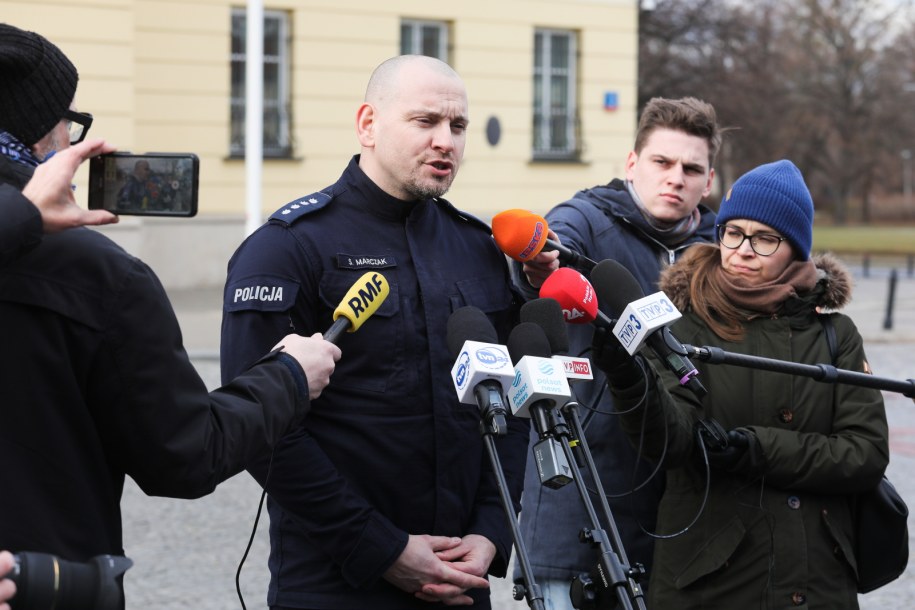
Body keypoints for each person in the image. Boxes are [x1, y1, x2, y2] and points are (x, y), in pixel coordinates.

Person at [0, 19, 342, 595]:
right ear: (41, 139)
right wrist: (289, 377)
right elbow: (184, 456)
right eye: (68, 121)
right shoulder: (102, 276)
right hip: (49, 584)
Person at [220, 54, 528, 609]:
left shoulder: (478, 249)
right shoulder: (288, 248)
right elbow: (259, 428)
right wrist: (381, 549)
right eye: (425, 121)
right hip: (336, 581)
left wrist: (490, 530)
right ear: (368, 124)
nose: (446, 141)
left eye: (458, 126)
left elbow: (506, 404)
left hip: (462, 576)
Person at [590, 159, 889, 608]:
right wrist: (630, 380)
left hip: (819, 585)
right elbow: (670, 443)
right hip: (710, 583)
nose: (743, 250)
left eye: (765, 238)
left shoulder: (836, 334)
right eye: (733, 232)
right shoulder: (681, 325)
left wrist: (756, 449)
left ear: (795, 248)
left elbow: (865, 452)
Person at [511, 97, 722, 604]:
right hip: (578, 499)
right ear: (632, 163)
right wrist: (537, 266)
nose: (675, 178)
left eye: (691, 169)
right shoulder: (586, 219)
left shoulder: (720, 248)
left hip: (677, 516)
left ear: (709, 180)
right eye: (662, 162)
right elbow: (548, 251)